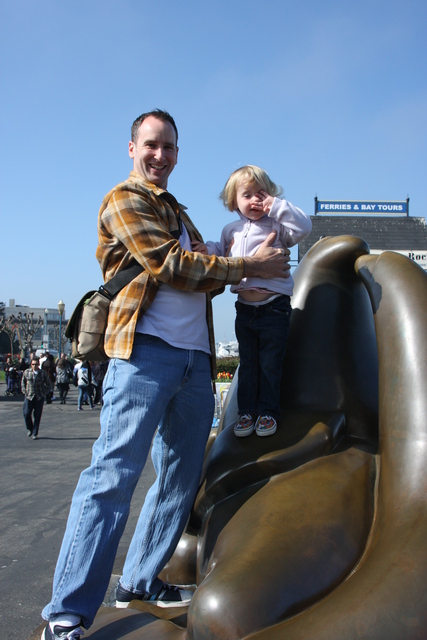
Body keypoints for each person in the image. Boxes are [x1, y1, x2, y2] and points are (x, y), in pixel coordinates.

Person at [41, 109, 290, 640]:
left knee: (178, 479)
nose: (161, 155)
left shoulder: (181, 213)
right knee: (112, 478)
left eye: (170, 147)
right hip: (144, 355)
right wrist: (249, 266)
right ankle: (66, 612)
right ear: (132, 148)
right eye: (151, 144)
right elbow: (172, 265)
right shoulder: (123, 199)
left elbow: (207, 275)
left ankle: (139, 581)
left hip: (196, 359)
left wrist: (220, 266)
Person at [193, 165, 311, 438]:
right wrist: (207, 249)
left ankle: (268, 412)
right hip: (245, 309)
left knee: (270, 363)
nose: (256, 200)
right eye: (247, 195)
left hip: (274, 307)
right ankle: (246, 412)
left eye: (262, 193)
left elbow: (304, 226)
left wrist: (277, 206)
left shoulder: (277, 226)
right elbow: (222, 252)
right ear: (233, 201)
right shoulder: (231, 230)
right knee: (248, 363)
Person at [22, 357, 50, 439]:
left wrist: (44, 392)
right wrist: (24, 391)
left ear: (38, 365)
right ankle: (30, 428)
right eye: (33, 364)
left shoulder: (42, 373)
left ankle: (35, 433)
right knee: (26, 413)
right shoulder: (27, 372)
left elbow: (48, 383)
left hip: (39, 396)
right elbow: (23, 382)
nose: (34, 366)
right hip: (29, 396)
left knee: (37, 416)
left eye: (36, 364)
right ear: (31, 364)